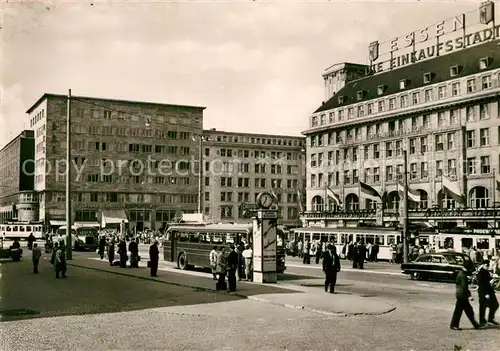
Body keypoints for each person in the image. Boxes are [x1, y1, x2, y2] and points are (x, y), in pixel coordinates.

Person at [477, 260, 499, 326]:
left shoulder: (486, 272)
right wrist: (485, 294)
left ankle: (490, 319)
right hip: (484, 293)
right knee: (483, 307)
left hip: (489, 292)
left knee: (495, 305)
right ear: (483, 265)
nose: (487, 266)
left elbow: (487, 282)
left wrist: (492, 277)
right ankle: (482, 321)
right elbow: (481, 284)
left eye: (488, 265)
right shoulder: (481, 272)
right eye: (486, 265)